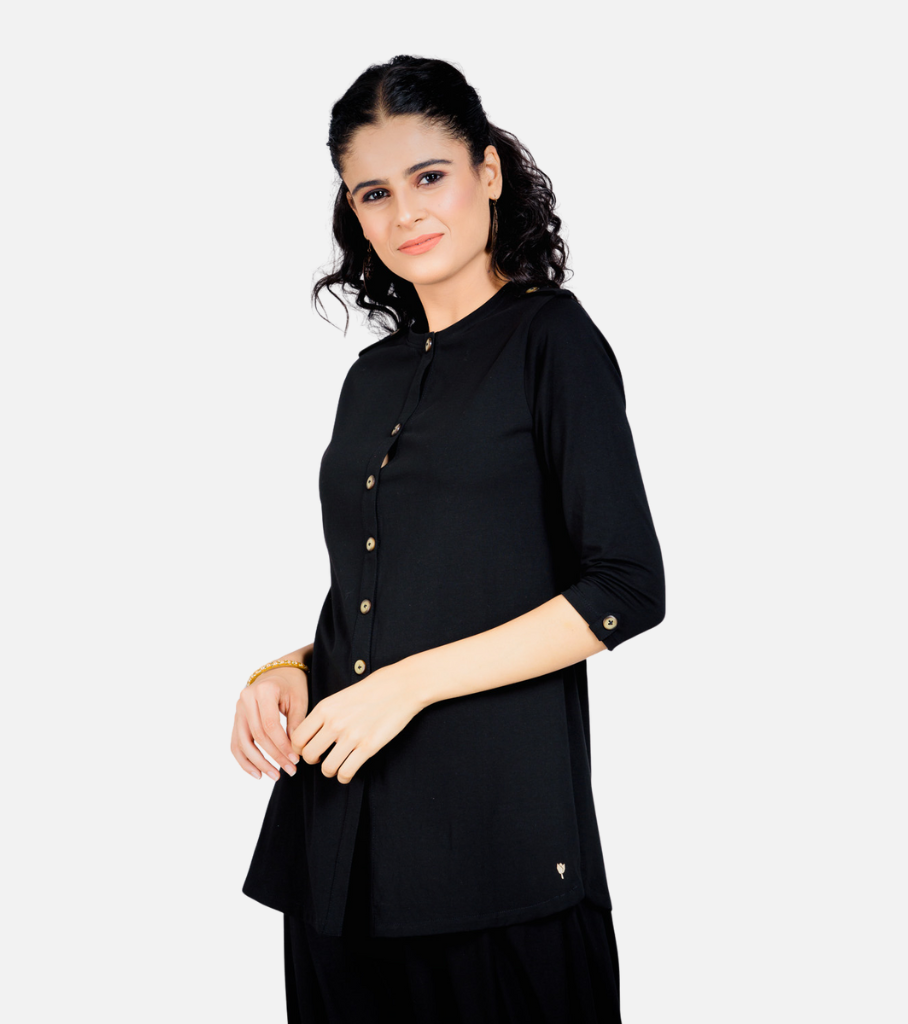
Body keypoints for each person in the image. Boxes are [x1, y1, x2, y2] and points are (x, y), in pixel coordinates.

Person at [231, 54, 666, 1023]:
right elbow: (389, 581)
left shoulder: (552, 341)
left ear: (488, 172)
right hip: (339, 845)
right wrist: (290, 668)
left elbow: (625, 586)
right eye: (373, 193)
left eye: (428, 176)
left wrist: (407, 683)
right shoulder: (371, 378)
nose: (404, 214)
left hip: (497, 850)